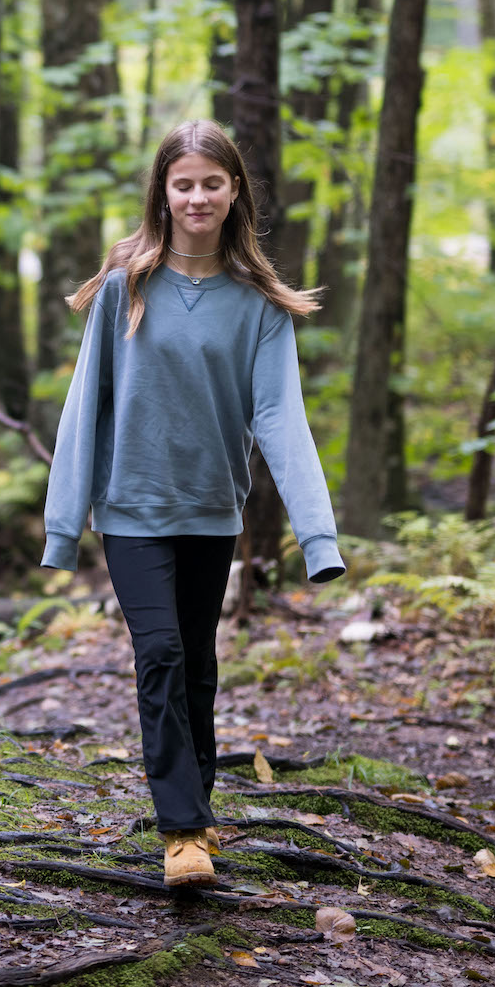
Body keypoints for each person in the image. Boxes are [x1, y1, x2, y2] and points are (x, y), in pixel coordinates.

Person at [41, 121, 344, 890]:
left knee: (198, 666)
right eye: (184, 183)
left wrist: (318, 535)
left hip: (212, 512)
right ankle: (180, 832)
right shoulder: (126, 289)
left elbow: (280, 416)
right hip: (132, 509)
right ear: (164, 193)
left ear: (234, 189)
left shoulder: (258, 304)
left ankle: (196, 811)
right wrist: (62, 526)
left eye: (213, 181)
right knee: (162, 657)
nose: (198, 195)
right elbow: (87, 405)